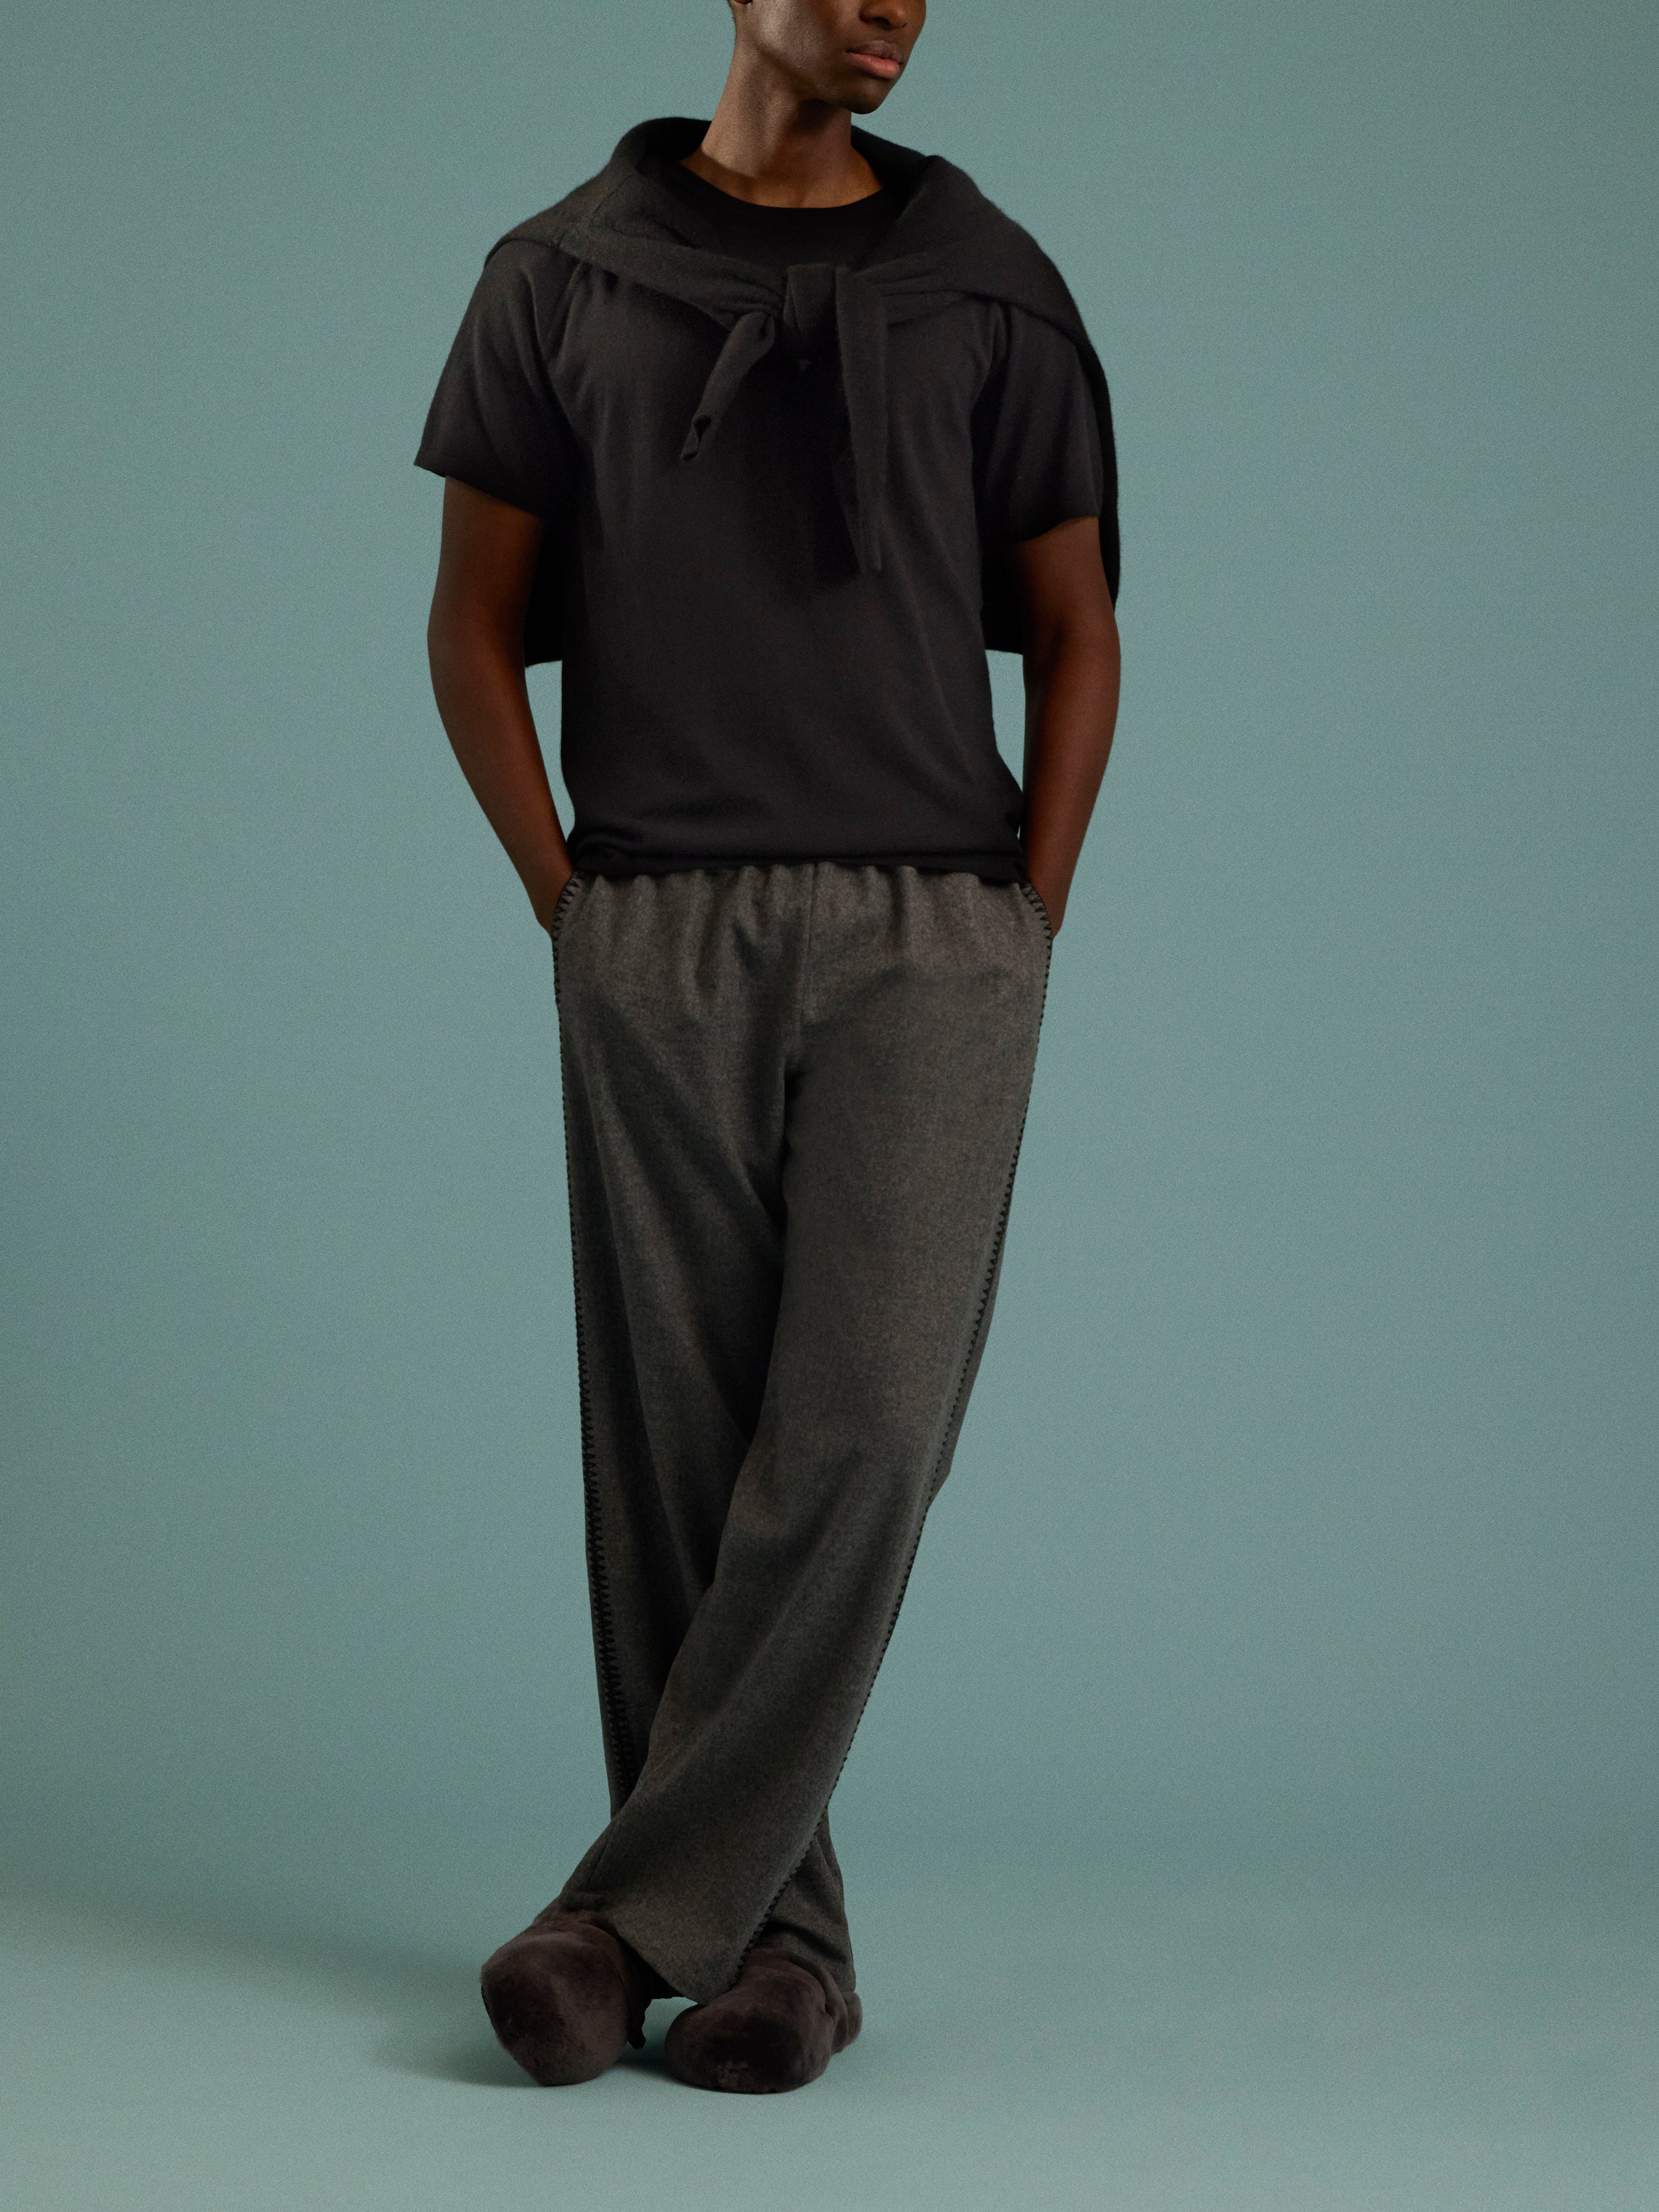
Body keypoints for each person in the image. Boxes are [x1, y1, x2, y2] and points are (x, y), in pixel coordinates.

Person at [416, 0, 1120, 2096]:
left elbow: (1075, 626)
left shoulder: (991, 284)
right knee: (676, 1455)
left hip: (931, 930)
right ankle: (783, 1959)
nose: (893, 4)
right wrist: (568, 907)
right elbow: (469, 623)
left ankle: (610, 1922)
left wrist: (1024, 920)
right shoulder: (556, 280)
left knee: (863, 1431)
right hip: (658, 924)